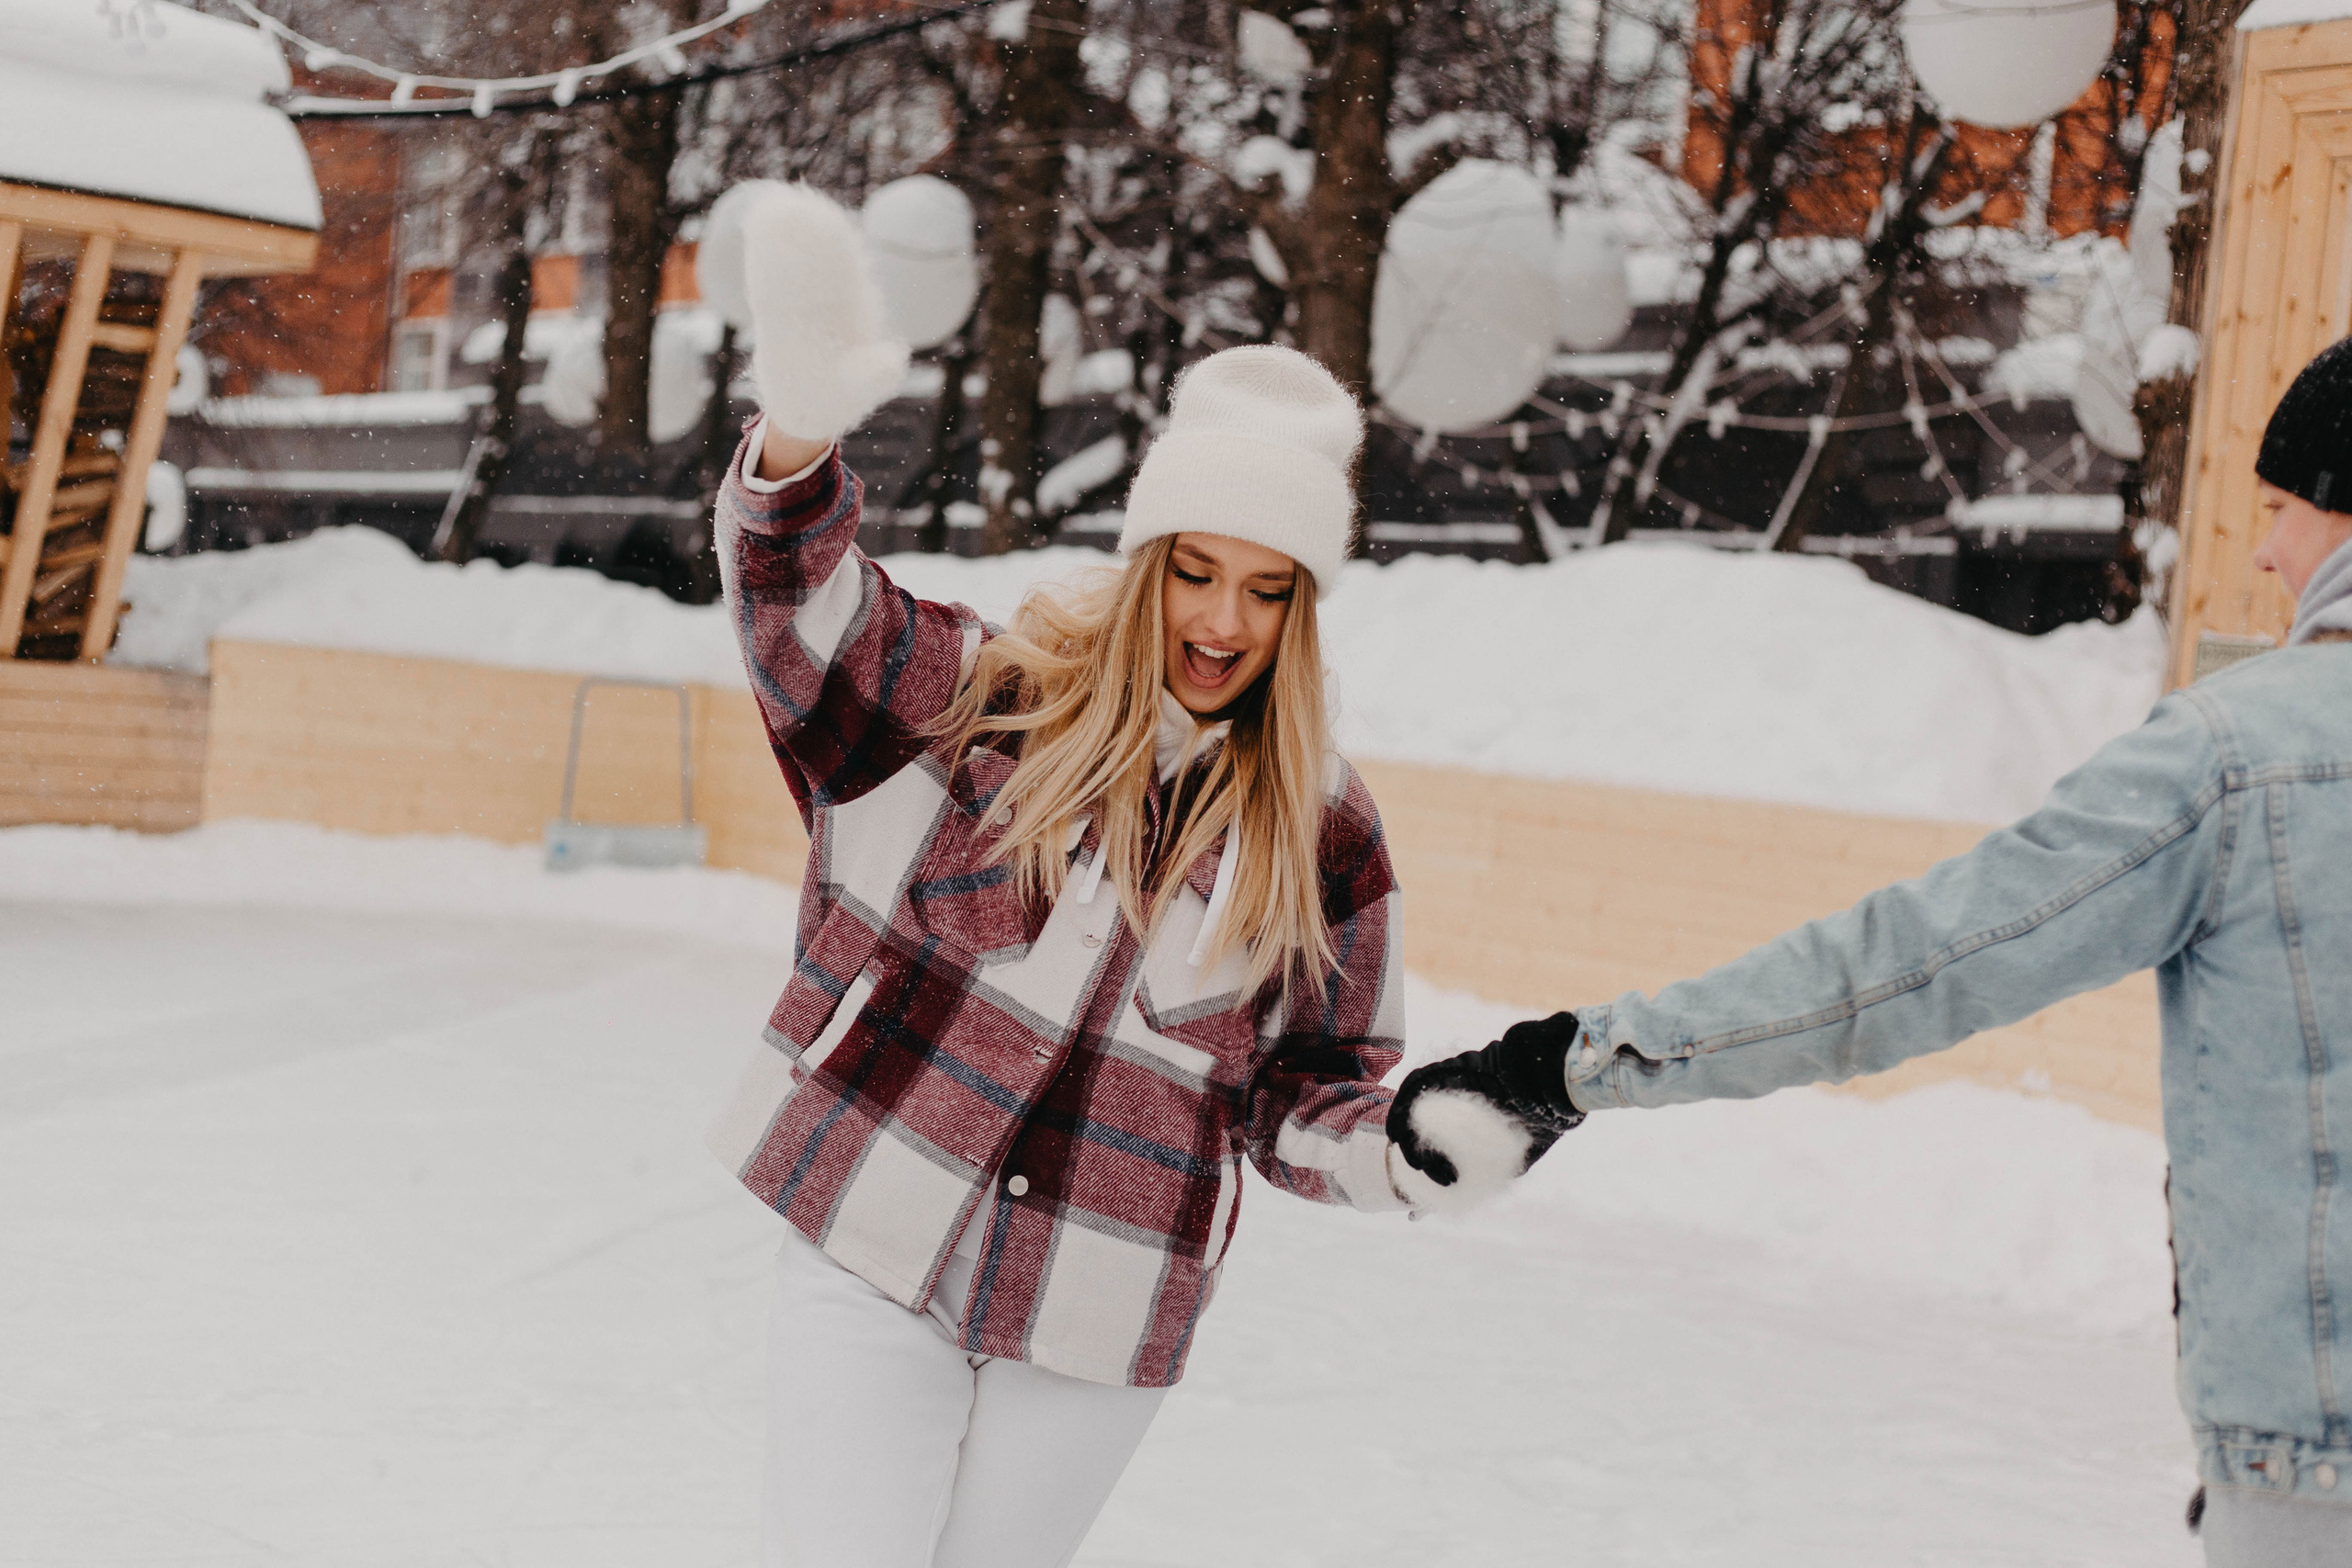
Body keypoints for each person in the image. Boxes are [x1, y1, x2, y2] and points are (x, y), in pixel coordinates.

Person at [1391, 333, 2352, 1565]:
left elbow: (1914, 965)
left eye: (2280, 509)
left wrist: (1563, 1067)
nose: (2264, 548)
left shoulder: (2242, 759)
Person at [703, 184, 1499, 1568]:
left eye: (1269, 589)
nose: (1222, 620)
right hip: (872, 1225)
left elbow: (1312, 1086)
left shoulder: (1327, 836)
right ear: (1149, 564)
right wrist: (801, 429)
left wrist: (1418, 1147)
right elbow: (798, 609)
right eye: (1198, 571)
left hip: (1094, 1303)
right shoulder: (982, 701)